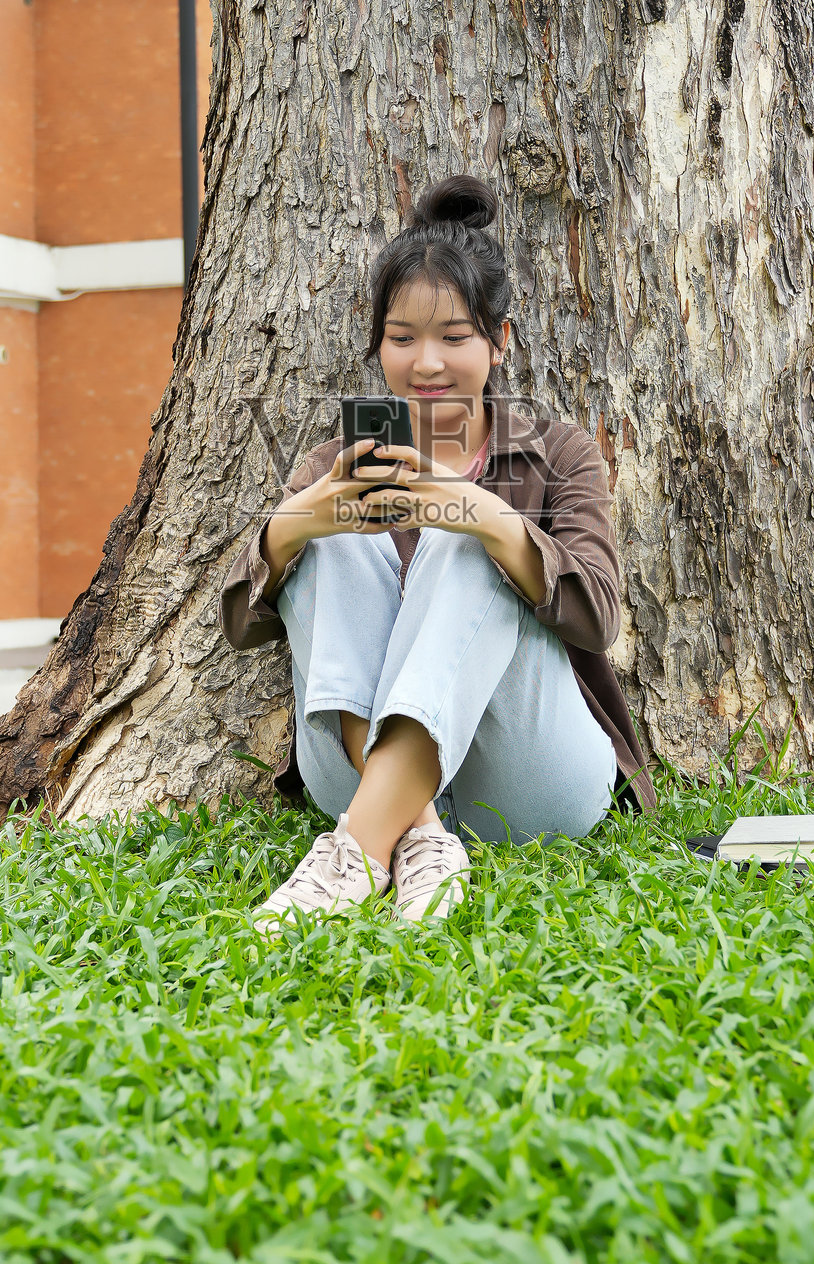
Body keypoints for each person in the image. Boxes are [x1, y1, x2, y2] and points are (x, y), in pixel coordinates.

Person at [219, 175, 655, 934]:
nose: (426, 363)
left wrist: (483, 515)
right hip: (351, 767)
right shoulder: (337, 461)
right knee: (323, 536)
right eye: (402, 338)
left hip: (527, 779)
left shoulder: (557, 454)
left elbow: (596, 619)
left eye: (454, 337)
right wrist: (297, 522)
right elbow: (241, 628)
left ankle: (353, 856)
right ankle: (417, 836)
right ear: (376, 342)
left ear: (499, 341)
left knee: (474, 537)